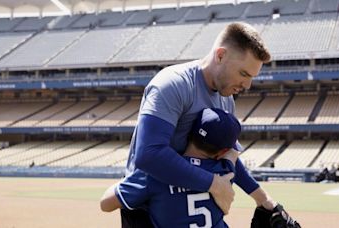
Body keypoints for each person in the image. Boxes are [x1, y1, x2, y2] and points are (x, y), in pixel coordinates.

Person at [122, 22, 282, 227]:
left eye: (252, 77)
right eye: (244, 74)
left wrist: (263, 199)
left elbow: (226, 155)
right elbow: (148, 154)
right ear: (221, 55)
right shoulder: (172, 84)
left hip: (188, 203)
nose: (247, 85)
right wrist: (214, 184)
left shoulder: (227, 99)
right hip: (148, 208)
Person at [101, 108, 241, 227]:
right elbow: (233, 154)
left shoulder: (156, 173)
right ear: (223, 151)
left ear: (188, 133)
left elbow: (105, 204)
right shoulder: (226, 171)